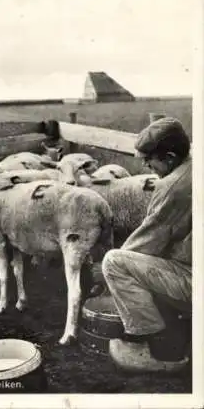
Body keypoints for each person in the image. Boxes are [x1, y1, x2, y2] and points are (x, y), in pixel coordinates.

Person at [101, 117, 192, 372]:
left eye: (148, 159)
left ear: (171, 157)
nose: (145, 165)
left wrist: (104, 276)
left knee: (115, 263)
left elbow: (148, 240)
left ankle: (147, 344)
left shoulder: (174, 186)